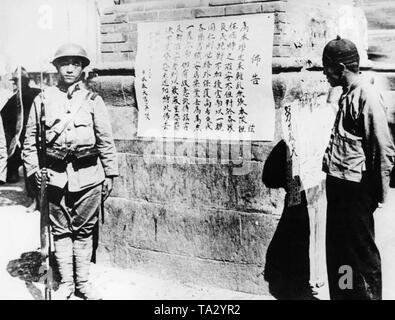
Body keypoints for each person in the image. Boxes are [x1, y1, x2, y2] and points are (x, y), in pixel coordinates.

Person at [22, 43, 119, 300]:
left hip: (89, 177)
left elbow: (105, 140)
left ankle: (83, 283)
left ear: (83, 69)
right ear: (56, 67)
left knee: (84, 231)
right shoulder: (42, 100)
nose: (70, 68)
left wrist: (110, 174)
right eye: (65, 63)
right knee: (61, 231)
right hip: (54, 177)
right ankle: (66, 283)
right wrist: (34, 171)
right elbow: (29, 142)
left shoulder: (93, 100)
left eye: (76, 63)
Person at [322, 36, 395, 300]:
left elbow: (383, 147)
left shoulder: (367, 94)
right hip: (340, 188)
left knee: (362, 255)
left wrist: (380, 193)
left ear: (340, 68)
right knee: (341, 253)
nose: (324, 73)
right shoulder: (347, 94)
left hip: (356, 191)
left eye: (327, 67)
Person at [1, 67, 41, 183]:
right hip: (30, 134)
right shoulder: (38, 93)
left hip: (25, 135)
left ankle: (14, 173)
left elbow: (4, 119)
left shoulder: (16, 98)